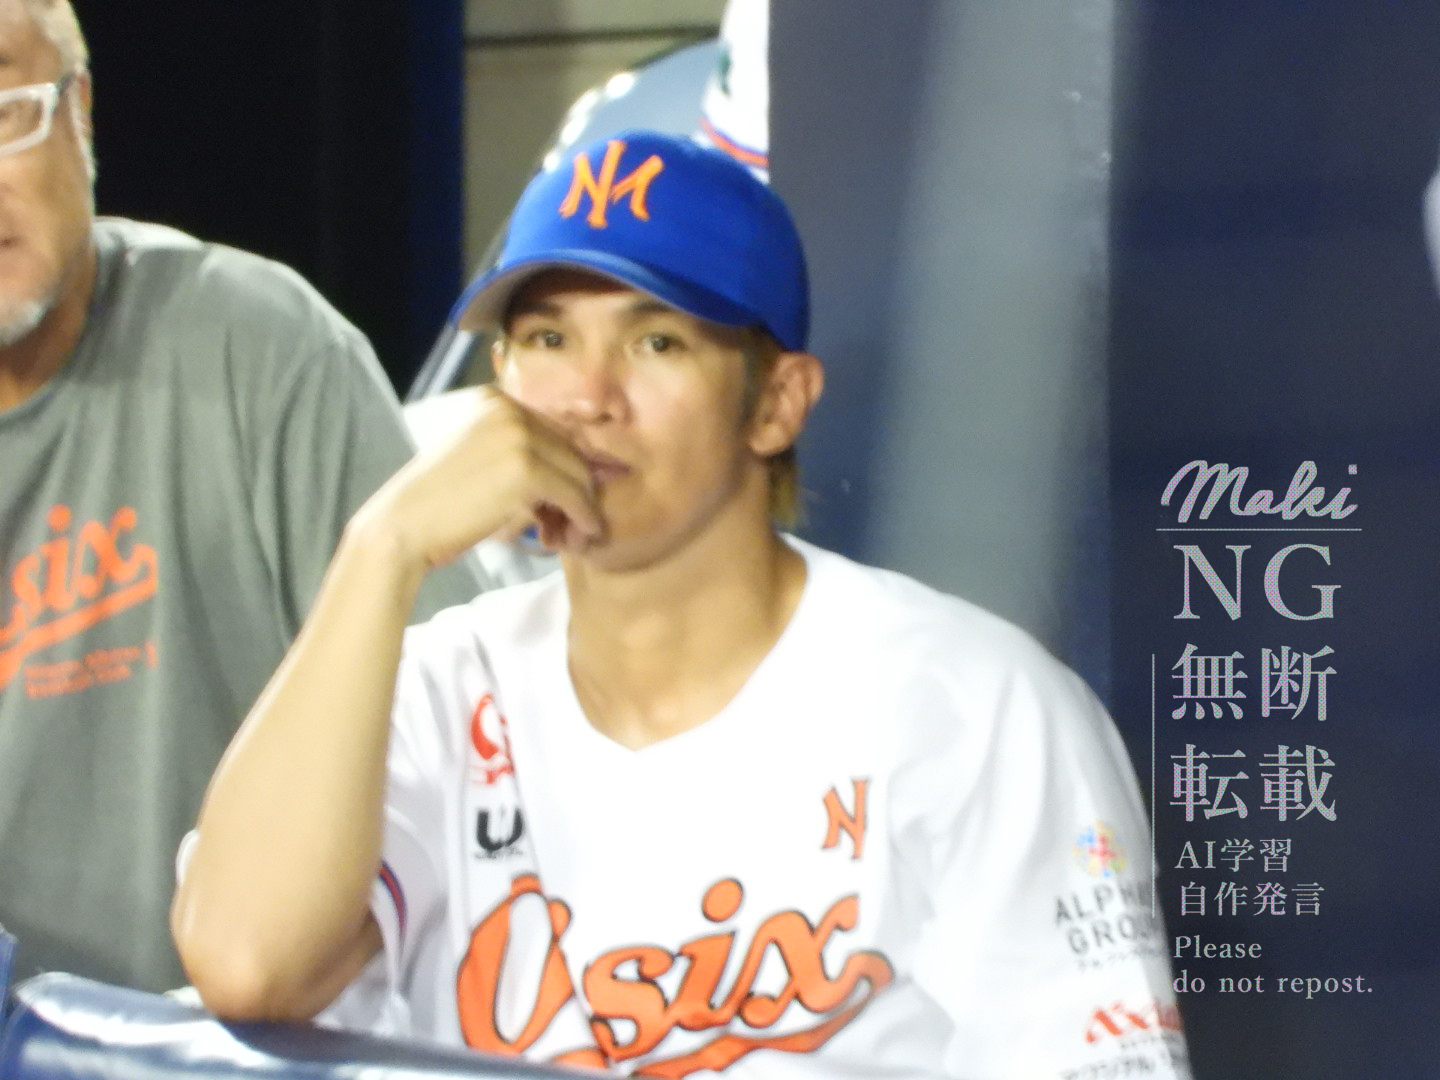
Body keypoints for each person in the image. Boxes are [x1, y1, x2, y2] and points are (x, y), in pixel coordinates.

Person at [173, 131, 1189, 1078]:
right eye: (547, 337)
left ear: (776, 402)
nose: (587, 397)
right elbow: (246, 968)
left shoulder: (972, 706)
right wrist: (380, 550)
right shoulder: (431, 693)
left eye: (656, 342)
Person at [0, 0, 485, 994]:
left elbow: (466, 756)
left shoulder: (262, 350)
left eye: (5, 113)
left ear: (80, 111)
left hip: (247, 1039)